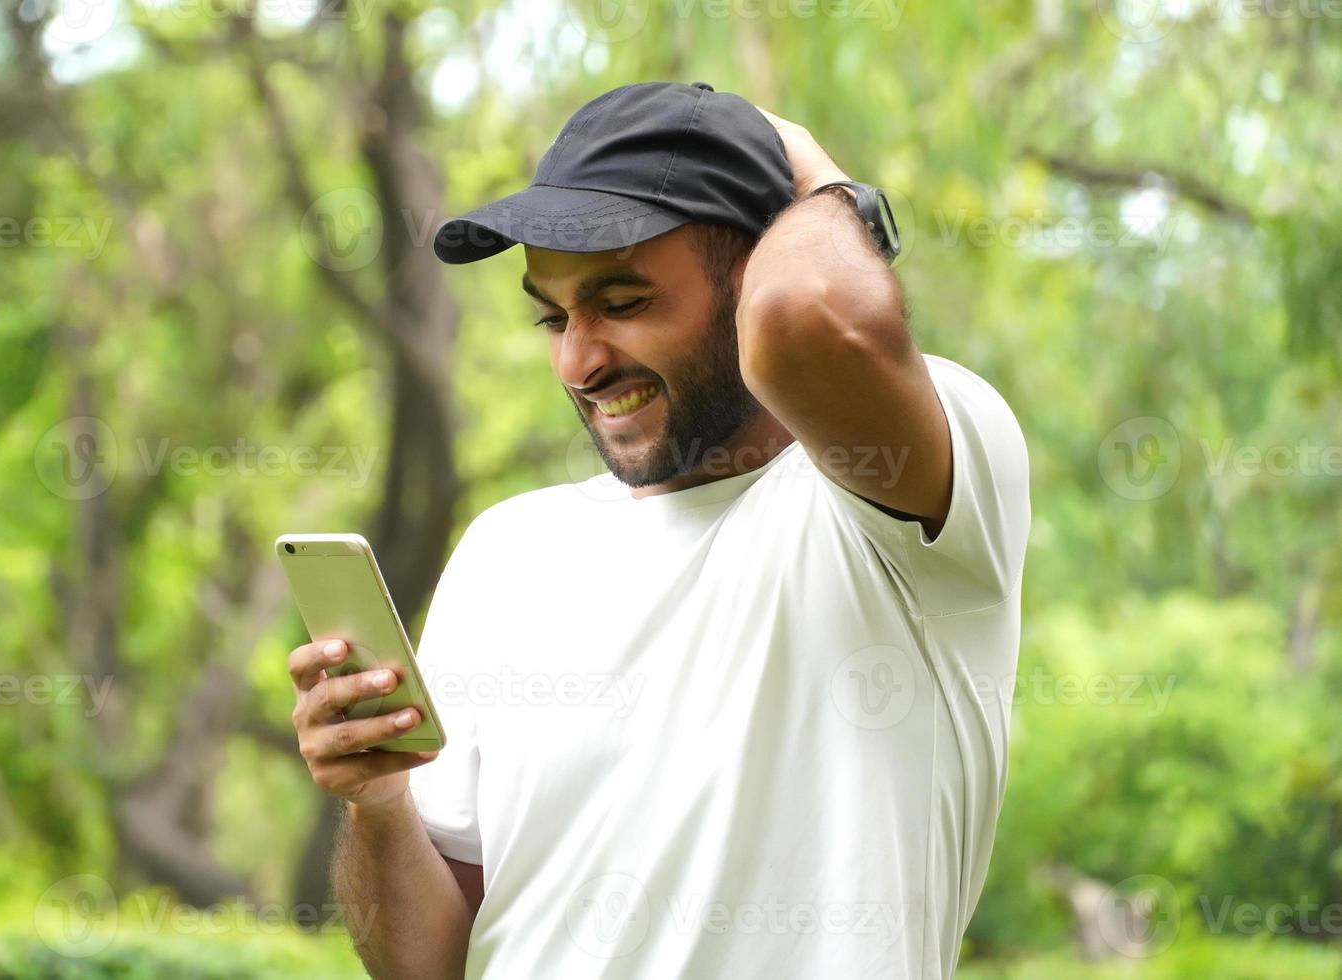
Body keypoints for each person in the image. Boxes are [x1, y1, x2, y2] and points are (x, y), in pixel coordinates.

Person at [286, 80, 1030, 979]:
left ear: (754, 273)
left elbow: (808, 321)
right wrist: (378, 802)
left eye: (624, 301)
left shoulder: (901, 492)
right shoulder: (505, 553)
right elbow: (426, 965)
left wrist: (820, 179)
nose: (578, 360)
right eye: (552, 315)